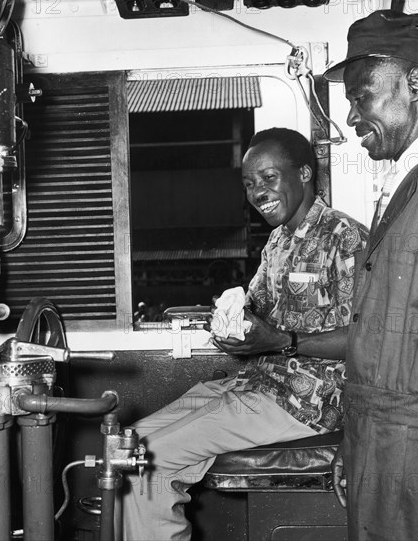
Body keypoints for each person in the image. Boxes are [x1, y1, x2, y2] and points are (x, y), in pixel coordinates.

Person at [122, 128, 369, 540]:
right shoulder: (277, 242)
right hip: (261, 383)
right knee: (130, 445)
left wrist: (281, 341)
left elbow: (366, 339)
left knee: (149, 460)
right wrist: (228, 326)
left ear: (305, 174)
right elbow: (254, 312)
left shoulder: (345, 238)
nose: (258, 192)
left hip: (307, 400)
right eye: (250, 184)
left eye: (268, 178)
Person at [320, 10, 418, 541]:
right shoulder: (408, 178)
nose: (352, 116)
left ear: (417, 83)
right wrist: (353, 440)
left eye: (361, 97)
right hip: (380, 440)